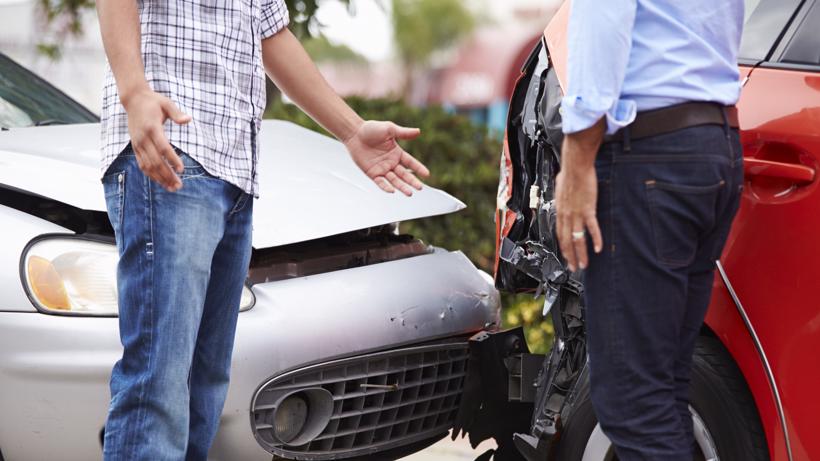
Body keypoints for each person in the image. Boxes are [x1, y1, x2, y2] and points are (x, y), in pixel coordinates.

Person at [95, 1, 429, 459]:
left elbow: (270, 35)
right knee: (159, 379)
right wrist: (134, 93)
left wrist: (351, 132)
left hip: (234, 173)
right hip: (171, 151)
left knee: (204, 387)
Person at [554, 0, 744, 458]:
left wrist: (577, 160)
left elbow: (604, 20)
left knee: (633, 402)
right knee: (665, 390)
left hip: (651, 156)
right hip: (713, 148)